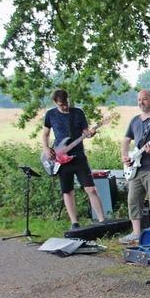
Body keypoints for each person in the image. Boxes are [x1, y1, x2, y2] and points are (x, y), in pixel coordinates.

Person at [42, 89, 106, 229]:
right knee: (67, 190)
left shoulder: (78, 113)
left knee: (91, 189)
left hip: (79, 157)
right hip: (61, 159)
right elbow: (45, 134)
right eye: (61, 104)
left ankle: (102, 221)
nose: (65, 106)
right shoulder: (50, 115)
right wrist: (46, 149)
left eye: (66, 103)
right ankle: (74, 223)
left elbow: (85, 132)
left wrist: (91, 134)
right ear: (55, 102)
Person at [119, 89, 150, 245]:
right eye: (139, 100)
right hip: (136, 168)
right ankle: (136, 232)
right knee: (133, 199)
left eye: (145, 99)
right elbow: (126, 140)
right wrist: (124, 157)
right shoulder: (135, 120)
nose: (141, 102)